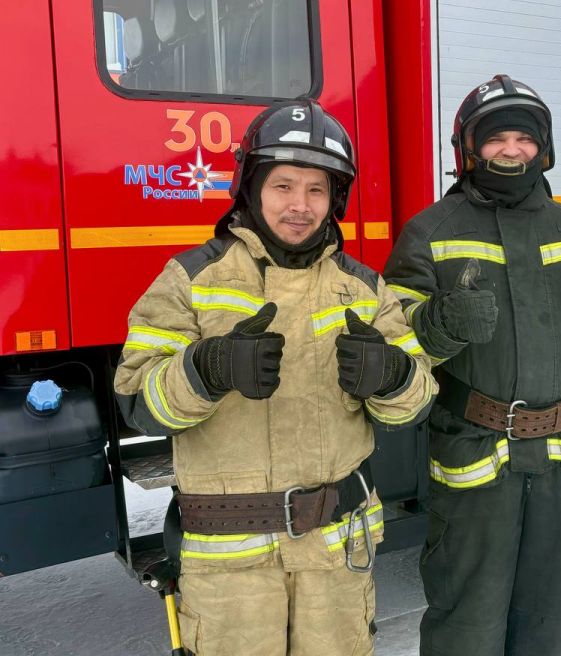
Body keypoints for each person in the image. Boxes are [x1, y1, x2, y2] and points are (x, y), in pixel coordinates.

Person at [114, 100, 437, 656]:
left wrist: (392, 374)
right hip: (230, 571)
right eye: (283, 185)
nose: (299, 205)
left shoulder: (362, 288)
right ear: (251, 188)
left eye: (316, 190)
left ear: (334, 199)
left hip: (336, 558)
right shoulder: (191, 279)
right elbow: (138, 403)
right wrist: (206, 369)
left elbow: (417, 402)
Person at [383, 74, 561, 656]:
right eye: (496, 139)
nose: (511, 150)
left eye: (523, 138)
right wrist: (435, 324)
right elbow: (395, 349)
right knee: (467, 623)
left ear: (545, 148)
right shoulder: (429, 232)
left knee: (553, 620)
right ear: (468, 148)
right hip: (473, 460)